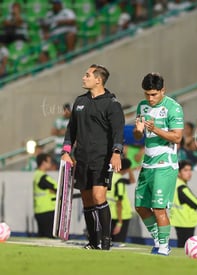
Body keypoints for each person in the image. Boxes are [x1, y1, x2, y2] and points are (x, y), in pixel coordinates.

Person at [61, 64, 125, 250]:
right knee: (87, 200)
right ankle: (93, 241)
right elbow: (71, 130)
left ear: (98, 79)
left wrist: (116, 153)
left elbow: (118, 131)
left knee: (99, 197)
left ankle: (106, 242)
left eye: (87, 75)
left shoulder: (112, 104)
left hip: (102, 159)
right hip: (81, 158)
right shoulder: (80, 101)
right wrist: (66, 151)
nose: (83, 77)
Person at [133, 72, 184, 256]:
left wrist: (155, 129)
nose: (150, 98)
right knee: (140, 206)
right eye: (147, 94)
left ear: (163, 90)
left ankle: (164, 247)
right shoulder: (142, 106)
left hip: (165, 164)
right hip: (147, 163)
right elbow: (140, 136)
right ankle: (158, 239)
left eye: (154, 94)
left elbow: (177, 137)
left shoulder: (173, 108)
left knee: (159, 208)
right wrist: (138, 132)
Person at [170, 160, 197, 247]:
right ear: (178, 172)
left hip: (178, 219)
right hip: (186, 221)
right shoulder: (181, 187)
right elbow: (196, 203)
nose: (189, 173)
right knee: (186, 247)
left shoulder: (174, 184)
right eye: (185, 170)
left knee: (181, 246)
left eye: (190, 170)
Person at [107, 158, 135, 243]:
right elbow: (119, 203)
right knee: (118, 243)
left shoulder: (110, 176)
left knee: (108, 242)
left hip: (108, 214)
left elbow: (132, 181)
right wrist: (119, 223)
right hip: (121, 216)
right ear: (126, 169)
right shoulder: (120, 181)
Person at [33, 153, 58, 238]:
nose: (50, 164)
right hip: (47, 210)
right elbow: (58, 188)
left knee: (42, 238)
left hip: (39, 210)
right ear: (43, 163)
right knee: (49, 237)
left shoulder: (36, 175)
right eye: (49, 162)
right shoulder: (43, 177)